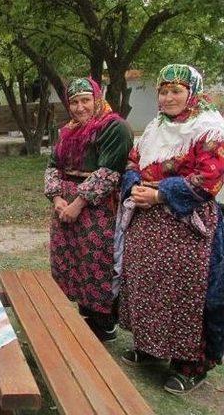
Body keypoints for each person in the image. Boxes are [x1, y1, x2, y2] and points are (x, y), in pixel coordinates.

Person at [116, 64, 224, 394]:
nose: (167, 97)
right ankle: (151, 348)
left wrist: (160, 194)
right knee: (148, 287)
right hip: (148, 224)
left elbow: (210, 178)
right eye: (164, 91)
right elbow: (133, 162)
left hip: (187, 228)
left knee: (186, 293)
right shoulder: (154, 127)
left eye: (176, 91)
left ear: (192, 93)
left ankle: (190, 365)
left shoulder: (209, 128)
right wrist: (134, 185)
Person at [44, 77, 133, 342]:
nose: (80, 107)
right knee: (70, 260)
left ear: (96, 99)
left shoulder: (114, 128)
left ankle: (105, 324)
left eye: (85, 100)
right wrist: (57, 198)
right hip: (65, 206)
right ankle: (86, 316)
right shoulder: (68, 131)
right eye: (74, 102)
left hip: (96, 208)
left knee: (96, 261)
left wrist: (77, 203)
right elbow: (53, 165)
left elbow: (109, 172)